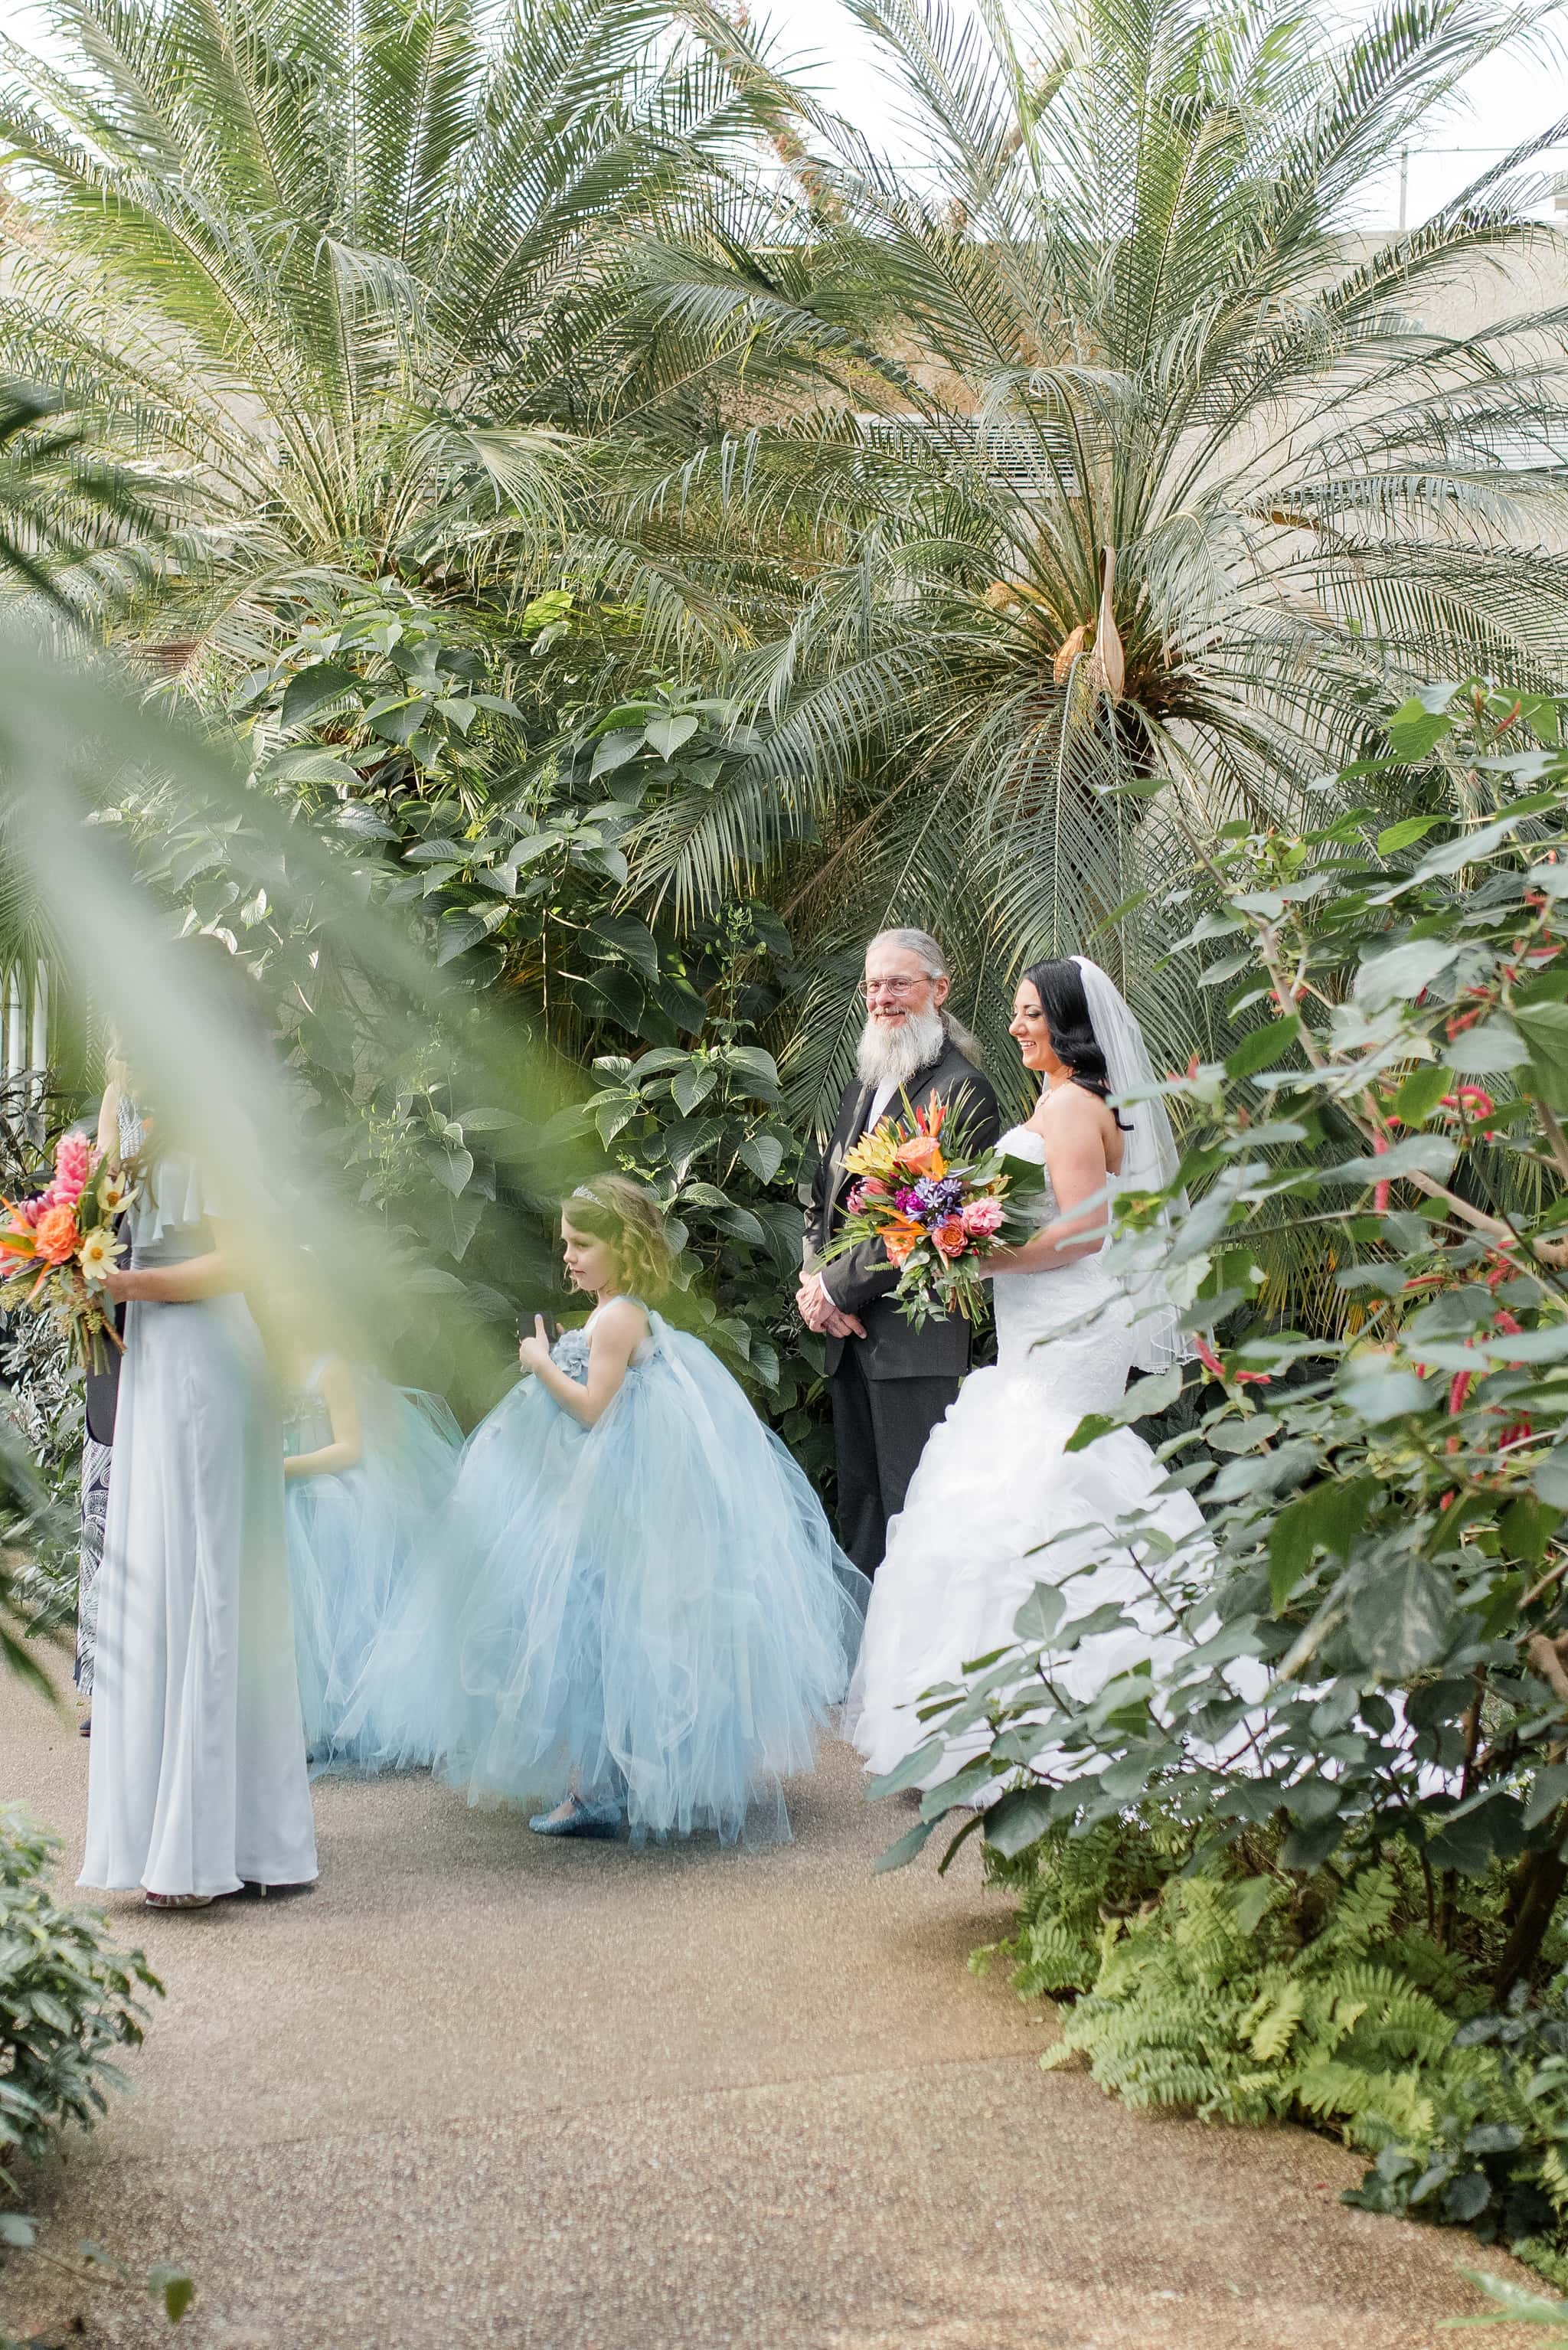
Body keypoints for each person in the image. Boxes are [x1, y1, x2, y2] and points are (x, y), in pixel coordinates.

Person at [846, 956, 1206, 1786]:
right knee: (1030, 1474)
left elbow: (1082, 1234)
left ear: (1068, 1026)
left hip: (1067, 1324)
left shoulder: (1076, 1108)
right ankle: (1006, 1710)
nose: (1014, 1027)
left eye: (1029, 1014)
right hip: (1042, 1324)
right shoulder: (1065, 1102)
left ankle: (1058, 1719)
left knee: (1046, 1477)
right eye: (1015, 1013)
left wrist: (981, 1257)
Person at [430, 1176, 869, 1845]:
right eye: (565, 1244)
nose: (569, 1256)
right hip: (614, 1488)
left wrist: (540, 1362)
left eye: (583, 1245)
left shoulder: (615, 1318)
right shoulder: (620, 1310)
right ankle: (609, 1781)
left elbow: (592, 1407)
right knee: (601, 1629)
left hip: (614, 1492)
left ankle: (596, 1790)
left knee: (593, 1624)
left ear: (623, 1247)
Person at [80, 962, 317, 1910]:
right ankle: (165, 1835)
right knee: (157, 1586)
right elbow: (99, 1213)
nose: (122, 1055)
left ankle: (217, 1842)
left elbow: (246, 1256)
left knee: (216, 1587)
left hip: (212, 1362)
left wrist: (128, 1283)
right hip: (150, 1368)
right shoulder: (134, 1127)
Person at [798, 928, 999, 1576]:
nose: (882, 998)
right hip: (848, 1337)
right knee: (860, 1513)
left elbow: (933, 1218)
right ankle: (865, 1667)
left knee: (917, 1516)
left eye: (898, 983)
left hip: (915, 1342)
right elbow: (822, 1188)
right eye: (873, 985)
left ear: (939, 990)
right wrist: (814, 1284)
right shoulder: (866, 1083)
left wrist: (836, 1290)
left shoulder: (964, 1091)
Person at [282, 1346, 461, 1772]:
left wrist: (283, 1465)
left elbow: (349, 1447)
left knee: (341, 1610)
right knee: (299, 1615)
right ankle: (299, 1721)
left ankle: (345, 1719)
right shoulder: (268, 1363)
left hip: (330, 1496)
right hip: (286, 1496)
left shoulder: (330, 1367)